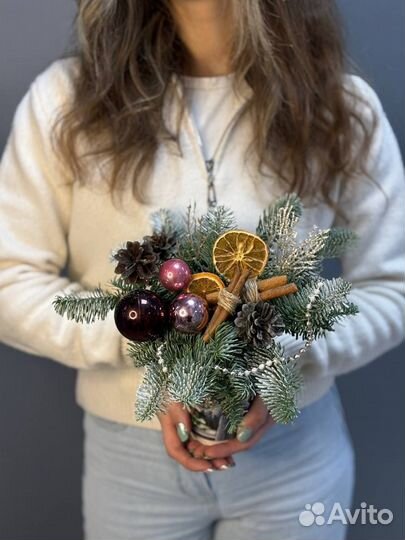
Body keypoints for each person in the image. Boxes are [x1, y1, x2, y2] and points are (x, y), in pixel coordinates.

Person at [0, 1, 404, 539]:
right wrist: (144, 341)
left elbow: (393, 284)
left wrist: (291, 355)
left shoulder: (337, 104)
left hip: (295, 456)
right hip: (131, 465)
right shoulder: (67, 101)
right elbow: (10, 277)